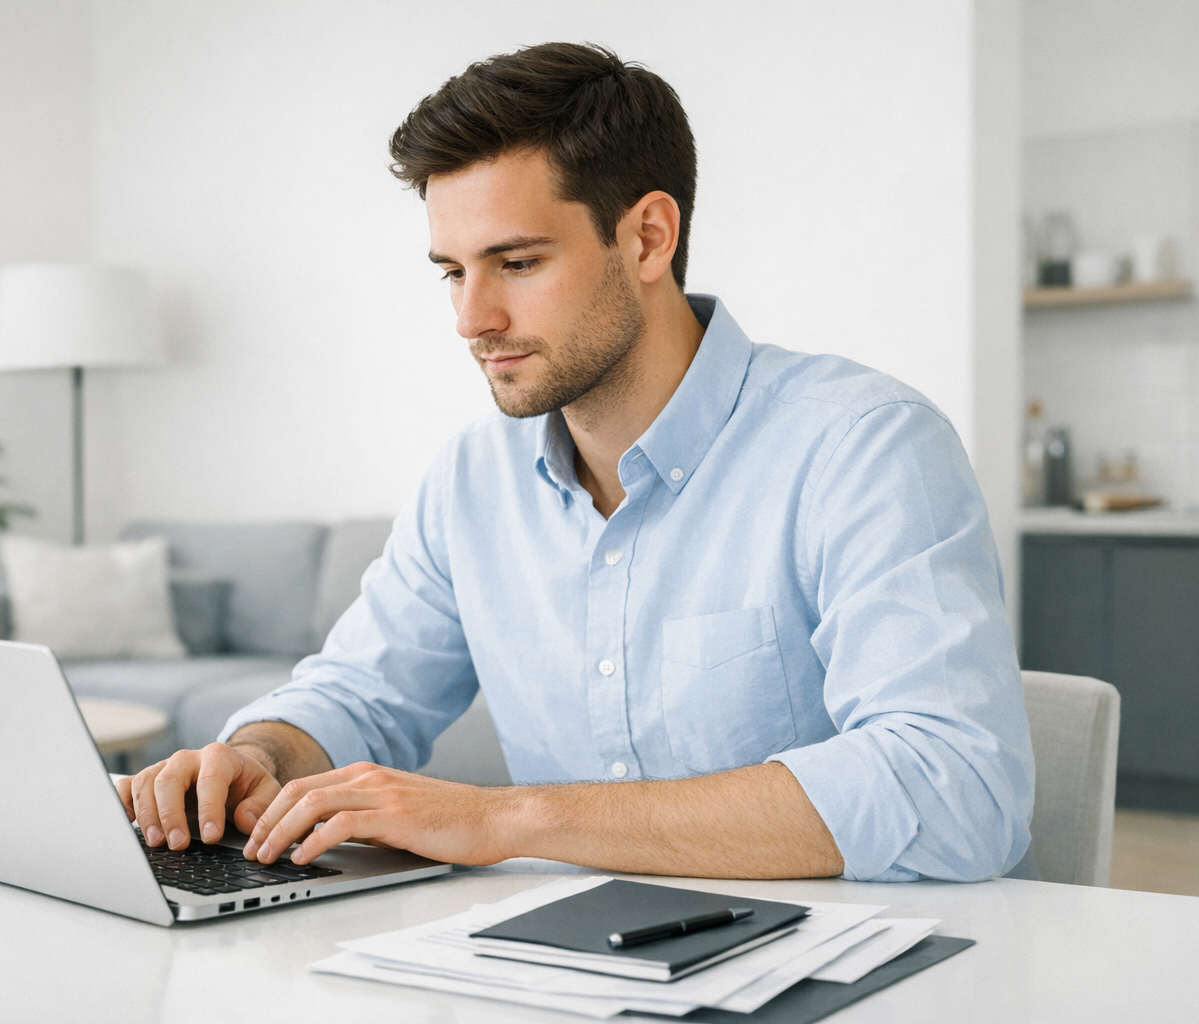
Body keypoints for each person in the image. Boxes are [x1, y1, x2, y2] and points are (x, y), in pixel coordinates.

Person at [117, 42, 1034, 883]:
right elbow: (361, 690)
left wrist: (509, 818)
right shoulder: (472, 482)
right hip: (559, 965)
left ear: (646, 237)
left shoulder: (864, 445)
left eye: (515, 263)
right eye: (452, 271)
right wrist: (263, 755)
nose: (471, 319)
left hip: (837, 964)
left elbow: (958, 789)